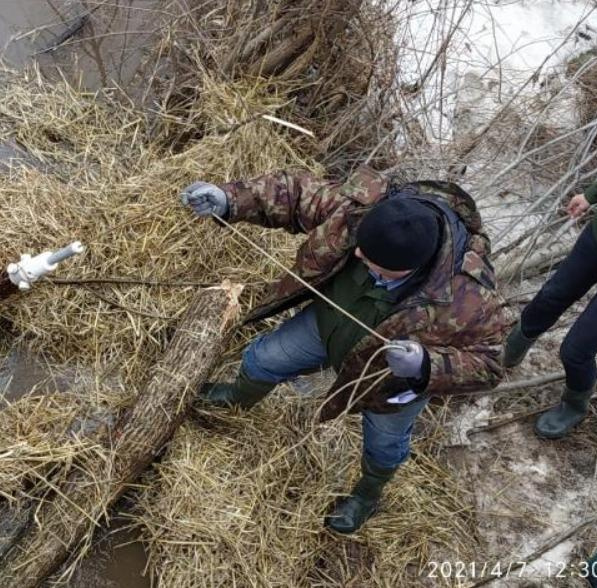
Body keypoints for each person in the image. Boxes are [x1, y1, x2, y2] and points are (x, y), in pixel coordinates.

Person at [180, 168, 510, 533]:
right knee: (262, 359)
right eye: (361, 251)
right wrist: (228, 199)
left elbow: (490, 364)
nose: (358, 256)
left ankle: (366, 496)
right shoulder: (364, 210)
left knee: (384, 446)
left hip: (386, 381)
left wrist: (426, 365)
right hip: (326, 326)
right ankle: (235, 400)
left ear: (411, 268)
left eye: (374, 264)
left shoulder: (467, 294)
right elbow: (294, 193)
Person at [503, 172, 597, 439]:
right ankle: (511, 349)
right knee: (552, 295)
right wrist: (592, 194)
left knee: (576, 350)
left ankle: (574, 404)